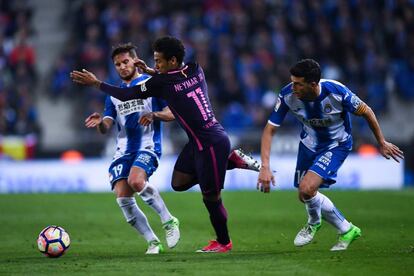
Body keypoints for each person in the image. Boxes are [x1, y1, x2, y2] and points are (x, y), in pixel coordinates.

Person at [71, 36, 260, 253]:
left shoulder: (160, 83)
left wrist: (96, 83)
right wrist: (153, 71)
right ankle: (229, 160)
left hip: (210, 143)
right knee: (178, 183)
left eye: (159, 61)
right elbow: (172, 79)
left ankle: (223, 242)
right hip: (198, 141)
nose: (156, 65)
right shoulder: (195, 68)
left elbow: (127, 94)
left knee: (211, 198)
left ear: (171, 60)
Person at [257, 59, 404, 251]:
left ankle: (313, 222)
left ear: (313, 84)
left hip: (336, 145)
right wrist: (265, 166)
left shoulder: (337, 92)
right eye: (292, 82)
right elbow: (269, 130)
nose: (293, 87)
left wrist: (382, 142)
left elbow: (367, 111)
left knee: (307, 188)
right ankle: (347, 229)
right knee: (305, 194)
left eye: (298, 84)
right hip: (308, 145)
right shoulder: (287, 95)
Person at [84, 43, 180, 254]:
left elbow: (171, 112)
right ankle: (153, 242)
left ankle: (169, 220)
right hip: (123, 151)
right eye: (117, 64)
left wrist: (154, 115)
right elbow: (106, 127)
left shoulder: (152, 84)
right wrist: (100, 121)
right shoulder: (113, 94)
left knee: (136, 181)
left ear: (135, 61)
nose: (122, 67)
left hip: (148, 146)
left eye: (125, 62)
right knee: (123, 199)